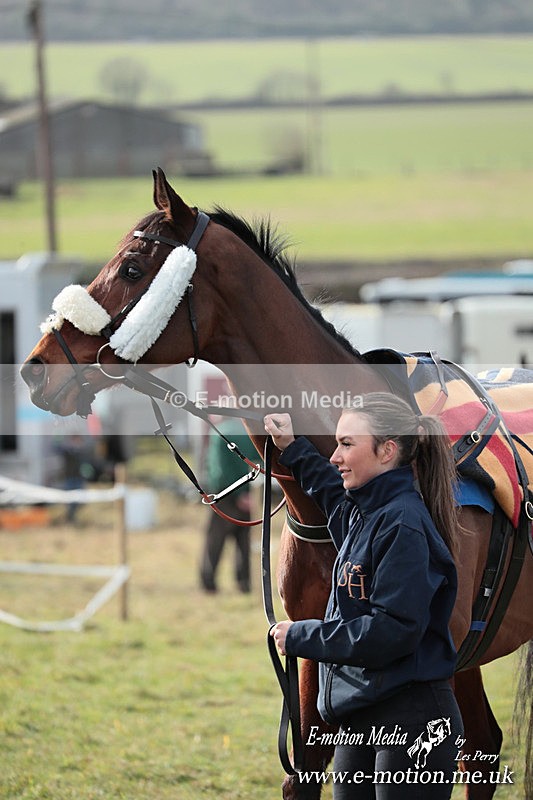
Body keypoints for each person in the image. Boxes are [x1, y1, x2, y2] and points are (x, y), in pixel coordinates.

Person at [265, 392, 463, 800]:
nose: (335, 456)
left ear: (388, 450)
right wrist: (292, 448)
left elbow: (392, 631)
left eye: (347, 444)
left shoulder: (403, 526)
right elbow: (329, 493)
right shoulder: (365, 514)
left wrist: (304, 637)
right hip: (360, 712)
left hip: (412, 721)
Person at [199, 418, 259, 594]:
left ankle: (208, 582)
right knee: (245, 540)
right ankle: (244, 582)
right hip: (250, 493)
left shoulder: (219, 432)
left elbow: (220, 468)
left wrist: (238, 493)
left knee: (215, 540)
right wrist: (248, 492)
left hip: (224, 494)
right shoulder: (248, 430)